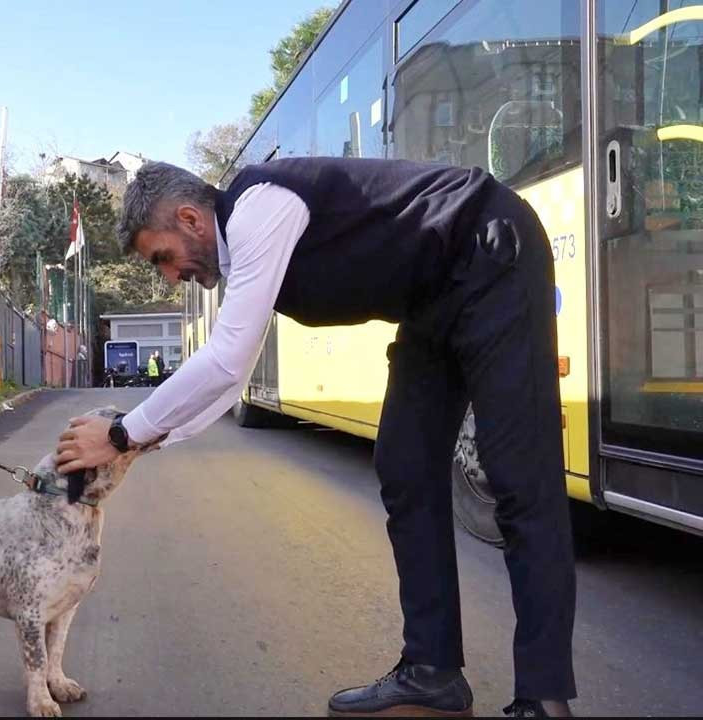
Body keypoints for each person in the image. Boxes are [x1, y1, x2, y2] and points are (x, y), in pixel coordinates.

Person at [54, 159, 575, 718]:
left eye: (163, 257)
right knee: (405, 469)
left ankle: (543, 697)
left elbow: (227, 361)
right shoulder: (248, 247)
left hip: (490, 249)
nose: (170, 275)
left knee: (520, 480)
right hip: (429, 299)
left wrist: (120, 433)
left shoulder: (259, 209)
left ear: (190, 219)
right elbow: (233, 377)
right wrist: (132, 438)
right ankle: (433, 674)